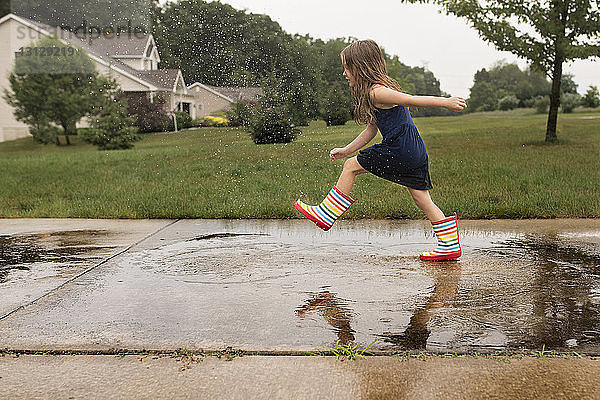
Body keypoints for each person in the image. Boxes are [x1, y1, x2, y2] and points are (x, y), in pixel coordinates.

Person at [294, 39, 467, 261]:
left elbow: (411, 99)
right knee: (421, 197)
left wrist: (446, 102)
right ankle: (449, 245)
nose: (345, 74)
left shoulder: (377, 92)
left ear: (360, 67)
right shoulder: (374, 94)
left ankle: (326, 214)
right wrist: (346, 150)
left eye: (347, 68)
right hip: (414, 150)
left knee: (350, 168)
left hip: (400, 148)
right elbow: (371, 130)